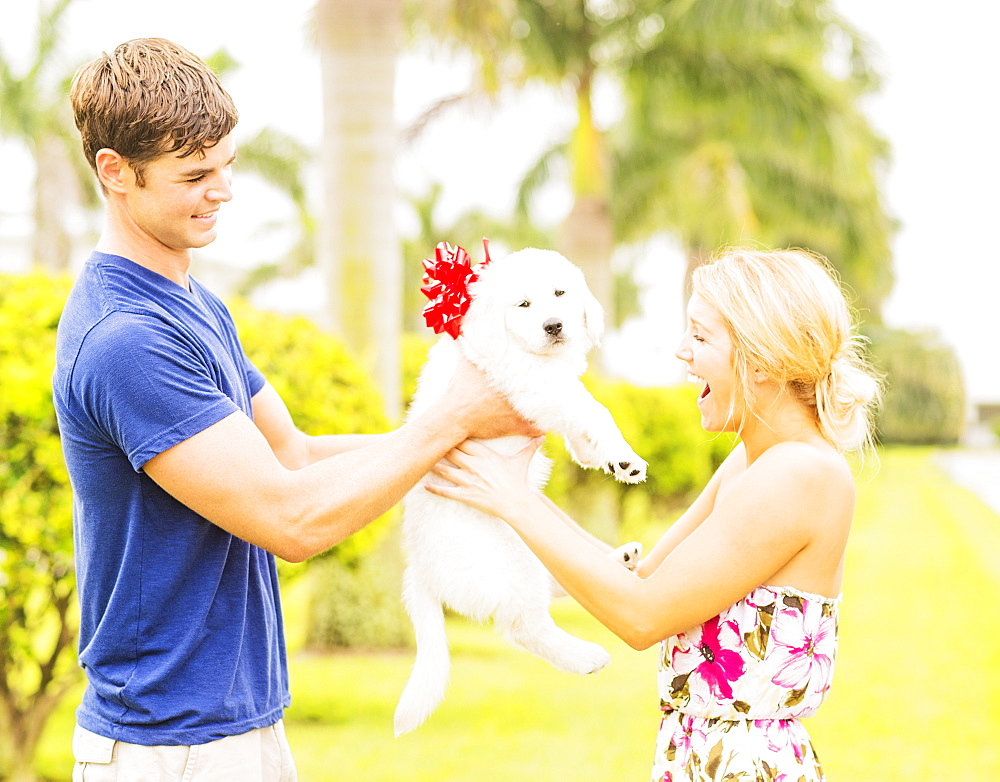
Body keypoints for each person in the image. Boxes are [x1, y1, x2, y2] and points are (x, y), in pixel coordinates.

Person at [54, 37, 536, 781]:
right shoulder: (125, 340)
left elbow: (296, 456)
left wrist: (473, 434)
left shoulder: (191, 304)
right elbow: (290, 519)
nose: (224, 190)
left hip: (234, 725)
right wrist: (453, 421)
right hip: (168, 747)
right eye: (195, 174)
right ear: (115, 172)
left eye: (227, 165)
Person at [426, 248, 882, 781]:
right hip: (698, 757)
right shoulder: (754, 460)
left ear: (761, 361)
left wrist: (516, 502)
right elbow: (641, 577)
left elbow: (643, 616)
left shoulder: (801, 473)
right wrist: (505, 491)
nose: (682, 353)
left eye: (701, 337)